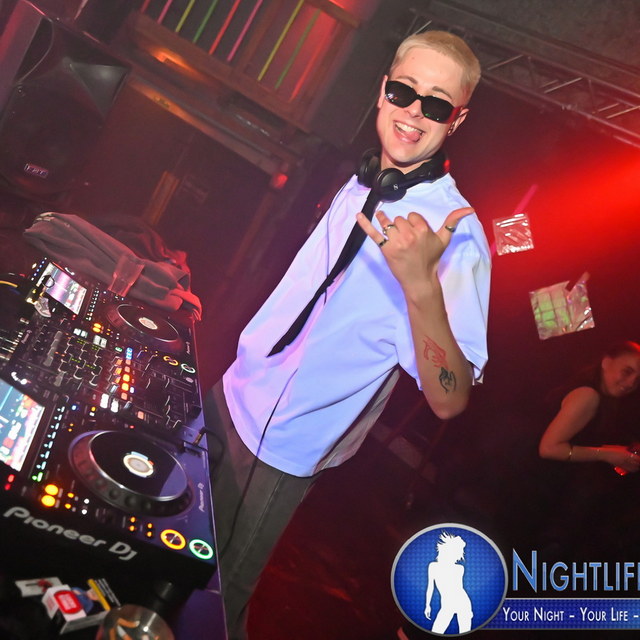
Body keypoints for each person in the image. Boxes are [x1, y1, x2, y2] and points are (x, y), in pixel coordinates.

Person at [204, 30, 490, 639]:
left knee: (217, 604)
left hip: (284, 446)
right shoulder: (364, 180)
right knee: (167, 555)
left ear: (456, 120)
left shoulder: (455, 233)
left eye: (436, 103)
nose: (414, 111)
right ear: (382, 91)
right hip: (232, 393)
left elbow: (450, 398)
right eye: (405, 91)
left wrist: (421, 287)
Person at [537, 341, 640, 559]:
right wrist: (608, 454)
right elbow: (549, 448)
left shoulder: (600, 394)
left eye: (638, 379)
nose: (632, 382)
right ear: (606, 362)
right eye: (627, 371)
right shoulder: (588, 395)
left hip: (552, 497)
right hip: (544, 495)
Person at [425, 532, 473, 634]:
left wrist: (468, 611)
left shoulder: (460, 568)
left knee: (465, 633)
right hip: (447, 605)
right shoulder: (433, 566)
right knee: (436, 631)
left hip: (463, 603)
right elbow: (430, 587)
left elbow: (459, 588)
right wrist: (427, 605)